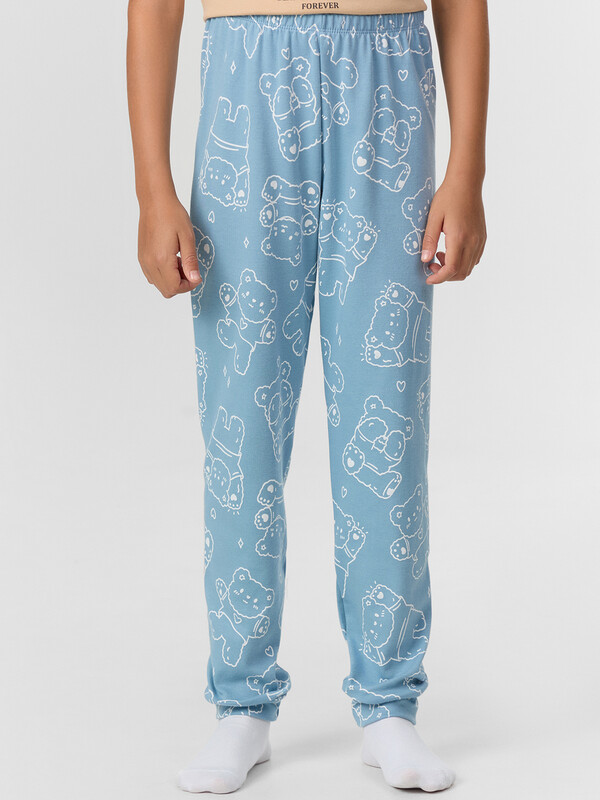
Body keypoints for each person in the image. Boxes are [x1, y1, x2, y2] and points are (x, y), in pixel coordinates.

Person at [127, 0, 488, 793]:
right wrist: (154, 188)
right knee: (240, 423)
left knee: (387, 417)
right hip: (247, 71)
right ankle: (241, 704)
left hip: (387, 74)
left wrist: (467, 171)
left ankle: (389, 703)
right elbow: (154, 7)